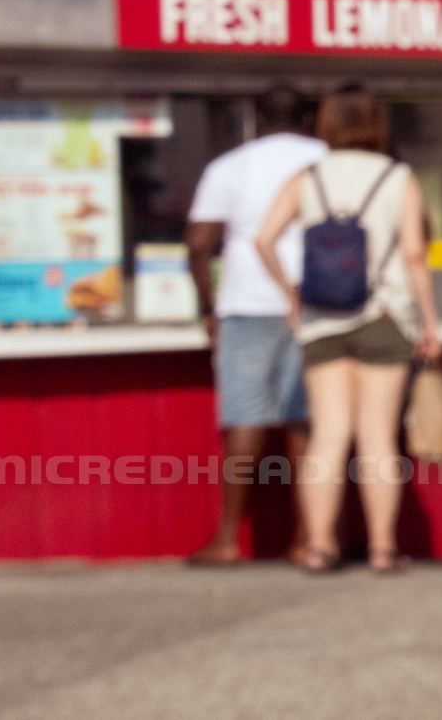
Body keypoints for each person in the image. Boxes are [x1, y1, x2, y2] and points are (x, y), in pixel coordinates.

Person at [255, 83, 441, 574]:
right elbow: (416, 254)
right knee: (378, 437)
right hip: (384, 316)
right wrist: (429, 322)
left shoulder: (307, 177)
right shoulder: (399, 177)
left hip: (321, 319)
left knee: (328, 435)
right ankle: (382, 548)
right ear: (376, 122)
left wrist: (289, 293)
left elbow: (263, 239)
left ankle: (319, 546)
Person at [185, 85, 327, 565]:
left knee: (245, 413)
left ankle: (227, 539)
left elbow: (201, 242)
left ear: (256, 118)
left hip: (247, 297)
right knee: (304, 418)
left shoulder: (229, 166)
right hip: (315, 299)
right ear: (308, 119)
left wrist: (206, 306)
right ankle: (309, 537)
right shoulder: (327, 158)